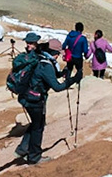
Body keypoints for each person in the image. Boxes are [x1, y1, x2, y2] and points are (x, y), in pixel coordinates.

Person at [8, 33, 72, 164]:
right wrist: (72, 80)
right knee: (38, 127)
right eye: (57, 53)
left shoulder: (37, 57)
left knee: (37, 124)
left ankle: (23, 149)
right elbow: (56, 86)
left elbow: (47, 77)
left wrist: (60, 73)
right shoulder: (45, 63)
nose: (58, 56)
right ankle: (34, 156)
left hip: (26, 96)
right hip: (35, 99)